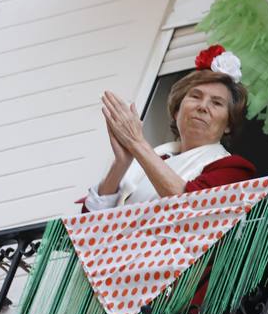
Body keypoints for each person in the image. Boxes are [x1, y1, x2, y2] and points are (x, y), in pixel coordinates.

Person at [84, 45, 256, 211]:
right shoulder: (159, 157)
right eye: (195, 96)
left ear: (228, 125)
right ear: (176, 111)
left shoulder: (232, 168)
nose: (203, 106)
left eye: (217, 103)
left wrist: (137, 144)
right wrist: (121, 164)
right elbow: (87, 226)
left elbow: (192, 208)